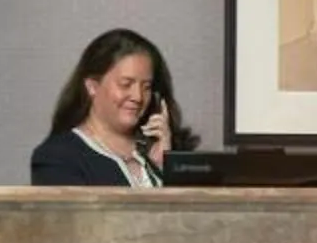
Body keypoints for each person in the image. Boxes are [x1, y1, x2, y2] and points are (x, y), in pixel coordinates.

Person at [29, 28, 200, 186]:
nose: (138, 97)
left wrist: (166, 167)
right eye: (126, 84)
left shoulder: (165, 150)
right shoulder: (58, 158)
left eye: (146, 87)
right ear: (92, 87)